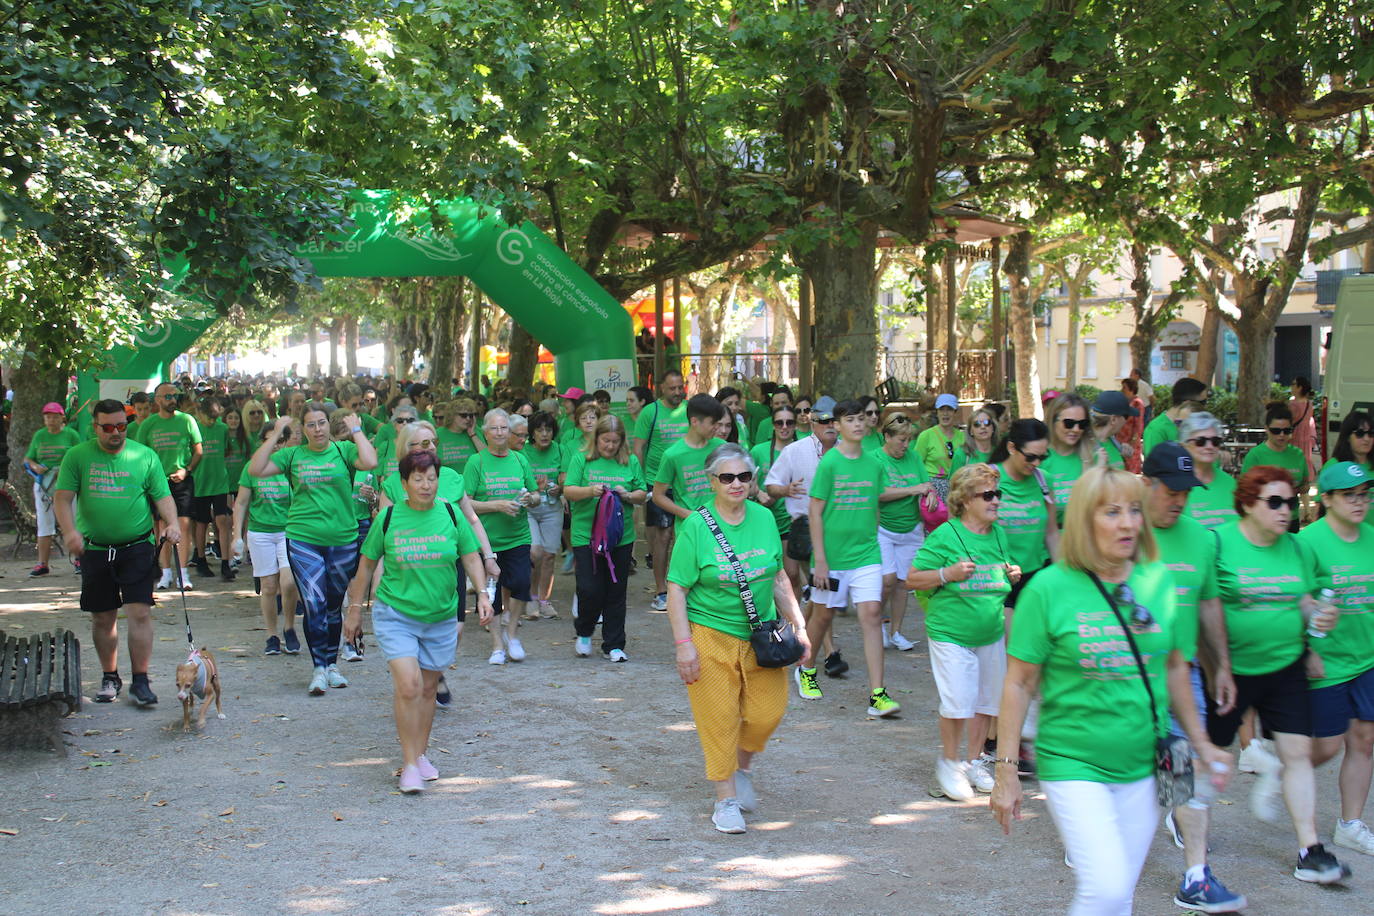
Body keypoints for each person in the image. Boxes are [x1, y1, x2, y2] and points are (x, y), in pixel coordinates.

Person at [991, 466, 1232, 914]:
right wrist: (1006, 772)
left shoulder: (1157, 581)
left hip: (1145, 763)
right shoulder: (1047, 589)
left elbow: (1177, 665)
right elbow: (1019, 682)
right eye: (1112, 512)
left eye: (1134, 511)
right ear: (1084, 520)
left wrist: (1201, 743)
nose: (1127, 523)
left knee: (1119, 893)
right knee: (1104, 887)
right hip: (1074, 761)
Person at [1210, 466, 1352, 884]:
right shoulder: (1219, 542)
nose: (1285, 510)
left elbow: (1304, 600)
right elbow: (1205, 605)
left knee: (1296, 756)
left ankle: (1310, 850)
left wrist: (1320, 619)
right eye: (1274, 502)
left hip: (1285, 665)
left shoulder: (1297, 548)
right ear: (1248, 504)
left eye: (1290, 501)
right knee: (1209, 759)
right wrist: (1214, 664)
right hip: (1230, 671)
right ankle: (1184, 820)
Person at [666, 443, 812, 834]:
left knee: (768, 713)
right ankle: (725, 799)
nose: (736, 484)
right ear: (712, 481)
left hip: (761, 635)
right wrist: (684, 645)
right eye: (727, 477)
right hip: (710, 633)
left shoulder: (764, 518)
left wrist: (799, 625)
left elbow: (779, 577)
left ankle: (742, 766)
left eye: (744, 477)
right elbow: (677, 588)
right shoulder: (697, 525)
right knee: (719, 719)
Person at [344, 449, 495, 793]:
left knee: (428, 689)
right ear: (404, 483)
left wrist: (482, 594)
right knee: (409, 685)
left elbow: (470, 557)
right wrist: (355, 609)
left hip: (440, 616)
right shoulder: (389, 517)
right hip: (395, 613)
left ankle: (420, 754)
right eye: (418, 479)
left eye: (431, 478)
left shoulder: (451, 514)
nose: (426, 485)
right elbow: (366, 565)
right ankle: (409, 763)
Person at [1141, 443, 1247, 913]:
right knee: (1129, 774)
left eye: (1187, 490)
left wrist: (1220, 664)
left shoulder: (1203, 538)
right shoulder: (1119, 530)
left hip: (1182, 675)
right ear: (1147, 484)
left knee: (1186, 769)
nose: (1180, 500)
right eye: (1171, 490)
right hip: (1125, 678)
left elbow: (1207, 604)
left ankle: (1196, 875)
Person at [53, 400, 182, 706]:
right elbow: (62, 499)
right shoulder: (78, 456)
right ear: (94, 427)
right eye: (108, 427)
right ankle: (110, 676)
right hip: (95, 549)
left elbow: (162, 496)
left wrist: (173, 523)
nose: (116, 433)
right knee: (103, 616)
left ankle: (141, 680)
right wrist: (70, 531)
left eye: (121, 426)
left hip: (137, 546)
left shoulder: (144, 455)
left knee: (139, 611)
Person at [248, 406, 377, 695]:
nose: (317, 429)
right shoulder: (293, 455)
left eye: (321, 423)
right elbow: (255, 469)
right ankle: (318, 668)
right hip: (303, 538)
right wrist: (276, 435)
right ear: (302, 430)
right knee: (315, 603)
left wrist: (356, 429)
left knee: (332, 606)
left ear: (328, 426)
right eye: (310, 425)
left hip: (343, 538)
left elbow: (369, 461)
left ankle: (331, 665)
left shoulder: (344, 450)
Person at [909, 463, 1018, 800]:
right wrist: (947, 573)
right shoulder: (947, 534)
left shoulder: (998, 533)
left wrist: (1011, 573)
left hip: (990, 632)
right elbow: (912, 579)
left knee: (987, 702)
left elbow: (997, 570)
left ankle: (973, 762)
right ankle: (950, 762)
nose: (996, 500)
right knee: (958, 701)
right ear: (967, 499)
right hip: (951, 632)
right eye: (988, 495)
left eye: (997, 493)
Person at [377, 421, 500, 705]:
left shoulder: (452, 478)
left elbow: (472, 520)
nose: (429, 447)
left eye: (432, 442)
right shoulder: (394, 484)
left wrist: (489, 556)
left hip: (448, 563)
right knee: (414, 623)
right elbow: (382, 534)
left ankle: (434, 670)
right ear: (405, 450)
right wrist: (378, 575)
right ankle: (415, 669)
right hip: (408, 568)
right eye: (421, 444)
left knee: (456, 627)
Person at [800, 398, 899, 717]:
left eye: (861, 419)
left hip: (866, 554)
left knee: (870, 615)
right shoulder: (830, 463)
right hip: (831, 557)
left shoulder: (874, 463)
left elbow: (875, 505)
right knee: (823, 617)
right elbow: (814, 511)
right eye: (849, 419)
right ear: (838, 426)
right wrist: (822, 560)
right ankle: (807, 669)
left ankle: (878, 695)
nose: (857, 424)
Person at [1299, 462, 1374, 857]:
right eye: (1349, 495)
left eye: (1364, 494)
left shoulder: (1373, 538)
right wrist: (1308, 651)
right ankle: (1290, 768)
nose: (1359, 502)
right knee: (1326, 747)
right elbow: (1298, 598)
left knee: (1364, 739)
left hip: (1368, 657)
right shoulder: (1308, 542)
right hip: (1326, 659)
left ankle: (1350, 824)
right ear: (1326, 499)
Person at [764, 395, 842, 674]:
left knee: (822, 593)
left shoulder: (849, 452)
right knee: (823, 589)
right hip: (807, 528)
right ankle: (825, 651)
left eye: (834, 419)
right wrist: (786, 490)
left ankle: (802, 640)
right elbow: (771, 485)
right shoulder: (795, 451)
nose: (829, 425)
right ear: (812, 422)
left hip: (843, 532)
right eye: (823, 420)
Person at [564, 415, 647, 660]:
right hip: (585, 536)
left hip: (619, 538)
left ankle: (614, 644)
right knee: (590, 589)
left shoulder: (630, 461)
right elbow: (568, 490)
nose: (610, 446)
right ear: (596, 439)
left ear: (622, 441)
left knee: (615, 591)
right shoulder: (581, 460)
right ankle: (585, 630)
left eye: (614, 441)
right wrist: (590, 491)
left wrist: (628, 495)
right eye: (605, 441)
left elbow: (642, 493)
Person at [464, 408, 541, 665]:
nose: (499, 433)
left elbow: (535, 494)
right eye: (494, 428)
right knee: (491, 593)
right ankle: (497, 644)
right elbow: (465, 503)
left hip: (518, 536)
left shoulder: (519, 460)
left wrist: (532, 498)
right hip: (487, 540)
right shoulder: (477, 461)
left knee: (521, 584)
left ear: (510, 432)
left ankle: (512, 634)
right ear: (485, 433)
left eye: (504, 428)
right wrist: (497, 505)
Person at [232, 423, 301, 656]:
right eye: (270, 440)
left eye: (280, 441)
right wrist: (236, 537)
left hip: (287, 530)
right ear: (262, 441)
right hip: (260, 532)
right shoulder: (252, 468)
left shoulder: (291, 466)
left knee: (289, 582)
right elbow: (241, 503)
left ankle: (289, 626)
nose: (275, 446)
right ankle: (272, 635)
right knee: (269, 586)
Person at [874, 412, 934, 652]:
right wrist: (913, 490)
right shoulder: (875, 459)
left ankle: (896, 631)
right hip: (883, 528)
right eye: (901, 439)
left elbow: (926, 484)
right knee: (887, 581)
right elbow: (878, 493)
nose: (906, 445)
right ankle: (876, 623)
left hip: (911, 528)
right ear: (887, 436)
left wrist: (929, 494)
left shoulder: (914, 457)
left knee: (903, 582)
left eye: (909, 439)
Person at [137, 382, 203, 590]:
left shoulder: (187, 420)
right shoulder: (148, 424)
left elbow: (198, 450)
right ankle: (165, 573)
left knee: (182, 526)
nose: (172, 400)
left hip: (182, 480)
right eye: (167, 396)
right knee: (162, 529)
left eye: (175, 396)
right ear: (157, 400)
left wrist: (187, 470)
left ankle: (183, 574)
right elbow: (141, 455)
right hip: (157, 484)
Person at [635, 369, 689, 611]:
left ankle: (685, 587)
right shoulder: (651, 412)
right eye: (672, 388)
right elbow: (639, 448)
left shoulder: (690, 410)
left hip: (686, 482)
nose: (677, 392)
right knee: (663, 536)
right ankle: (661, 590)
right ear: (662, 389)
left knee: (687, 536)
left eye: (680, 387)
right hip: (658, 482)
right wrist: (642, 483)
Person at [989, 419, 1058, 608]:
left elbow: (1051, 533)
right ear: (1012, 447)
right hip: (998, 578)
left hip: (1036, 576)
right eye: (1030, 457)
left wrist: (1062, 574)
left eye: (1042, 457)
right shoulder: (988, 478)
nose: (1036, 463)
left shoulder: (1045, 481)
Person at [653, 395, 727, 538]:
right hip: (690, 529)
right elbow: (658, 496)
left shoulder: (721, 448)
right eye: (713, 423)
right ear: (694, 421)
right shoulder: (672, 455)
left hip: (722, 524)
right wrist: (689, 515)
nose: (717, 428)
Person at [750, 405, 801, 602]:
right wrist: (761, 493)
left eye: (789, 422)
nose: (784, 427)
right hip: (764, 521)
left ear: (796, 425)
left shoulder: (803, 449)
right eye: (780, 422)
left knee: (792, 575)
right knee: (765, 575)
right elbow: (746, 482)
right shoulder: (758, 451)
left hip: (792, 521)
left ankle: (794, 624)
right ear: (773, 425)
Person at [24, 401, 81, 577]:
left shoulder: (71, 434)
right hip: (44, 484)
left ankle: (80, 560)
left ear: (62, 417)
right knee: (44, 523)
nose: (51, 420)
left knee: (74, 521)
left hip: (67, 483)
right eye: (48, 416)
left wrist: (65, 469)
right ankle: (42, 564)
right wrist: (35, 467)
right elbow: (28, 459)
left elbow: (80, 456)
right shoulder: (40, 436)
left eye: (55, 416)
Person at [1241, 403, 1310, 530]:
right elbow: (1244, 493)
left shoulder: (1298, 454)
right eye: (1276, 431)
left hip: (1291, 518)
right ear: (1266, 429)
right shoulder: (1255, 456)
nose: (1281, 435)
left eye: (1287, 431)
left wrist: (1300, 489)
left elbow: (1305, 483)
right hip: (1264, 520)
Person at [190, 397, 236, 581]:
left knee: (222, 520)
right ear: (200, 413)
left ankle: (226, 563)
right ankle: (201, 559)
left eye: (215, 417)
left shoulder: (222, 429)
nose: (211, 421)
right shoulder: (194, 428)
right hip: (200, 482)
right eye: (209, 417)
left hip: (219, 481)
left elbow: (226, 450)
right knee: (201, 522)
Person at [524, 411, 565, 619]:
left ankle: (544, 600)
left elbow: (565, 478)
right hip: (529, 508)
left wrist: (560, 488)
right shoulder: (523, 452)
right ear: (532, 433)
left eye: (548, 429)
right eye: (539, 430)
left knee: (549, 555)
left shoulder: (560, 450)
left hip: (552, 507)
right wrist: (532, 490)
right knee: (535, 552)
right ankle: (530, 597)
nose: (544, 434)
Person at [1041, 392, 1095, 524]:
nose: (1076, 429)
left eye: (1082, 424)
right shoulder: (1038, 457)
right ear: (1053, 421)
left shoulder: (1093, 457)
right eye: (1069, 423)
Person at [1143, 376, 1209, 458]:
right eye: (1203, 402)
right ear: (1187, 403)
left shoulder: (1197, 425)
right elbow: (1155, 466)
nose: (1205, 407)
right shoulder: (1156, 429)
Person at [915, 393, 965, 482]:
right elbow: (916, 464)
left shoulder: (963, 437)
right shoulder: (926, 436)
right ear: (937, 412)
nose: (945, 414)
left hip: (957, 483)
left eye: (949, 409)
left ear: (955, 412)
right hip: (932, 484)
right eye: (942, 410)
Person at [1089, 390, 1138, 469]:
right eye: (1126, 416)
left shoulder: (1112, 440)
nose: (1126, 421)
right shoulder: (1087, 447)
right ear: (1113, 420)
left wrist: (1123, 453)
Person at [435, 397, 485, 472]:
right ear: (451, 415)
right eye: (464, 415)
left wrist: (472, 434)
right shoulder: (437, 434)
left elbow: (487, 458)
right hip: (447, 481)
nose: (468, 418)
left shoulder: (476, 432)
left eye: (471, 415)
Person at [1289, 376, 1321, 486]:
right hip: (1306, 438)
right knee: (1304, 461)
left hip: (1293, 438)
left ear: (1299, 388)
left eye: (1293, 384)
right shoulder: (1309, 404)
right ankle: (1305, 482)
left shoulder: (1293, 405)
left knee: (1292, 463)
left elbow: (1288, 421)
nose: (1291, 387)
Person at [1323, 410, 1372, 475]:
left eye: (1371, 433)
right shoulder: (1333, 466)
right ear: (1347, 436)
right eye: (1360, 433)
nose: (1367, 439)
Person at [952, 405, 997, 472]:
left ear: (993, 427)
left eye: (987, 422)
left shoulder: (1001, 451)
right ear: (971, 431)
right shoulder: (962, 453)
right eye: (977, 424)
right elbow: (953, 481)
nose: (983, 427)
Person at [1119, 378, 1146, 472]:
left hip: (1130, 443)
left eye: (1124, 387)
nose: (1122, 390)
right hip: (1121, 442)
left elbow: (1138, 425)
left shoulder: (1137, 403)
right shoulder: (1124, 402)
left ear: (1131, 389)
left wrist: (1132, 443)